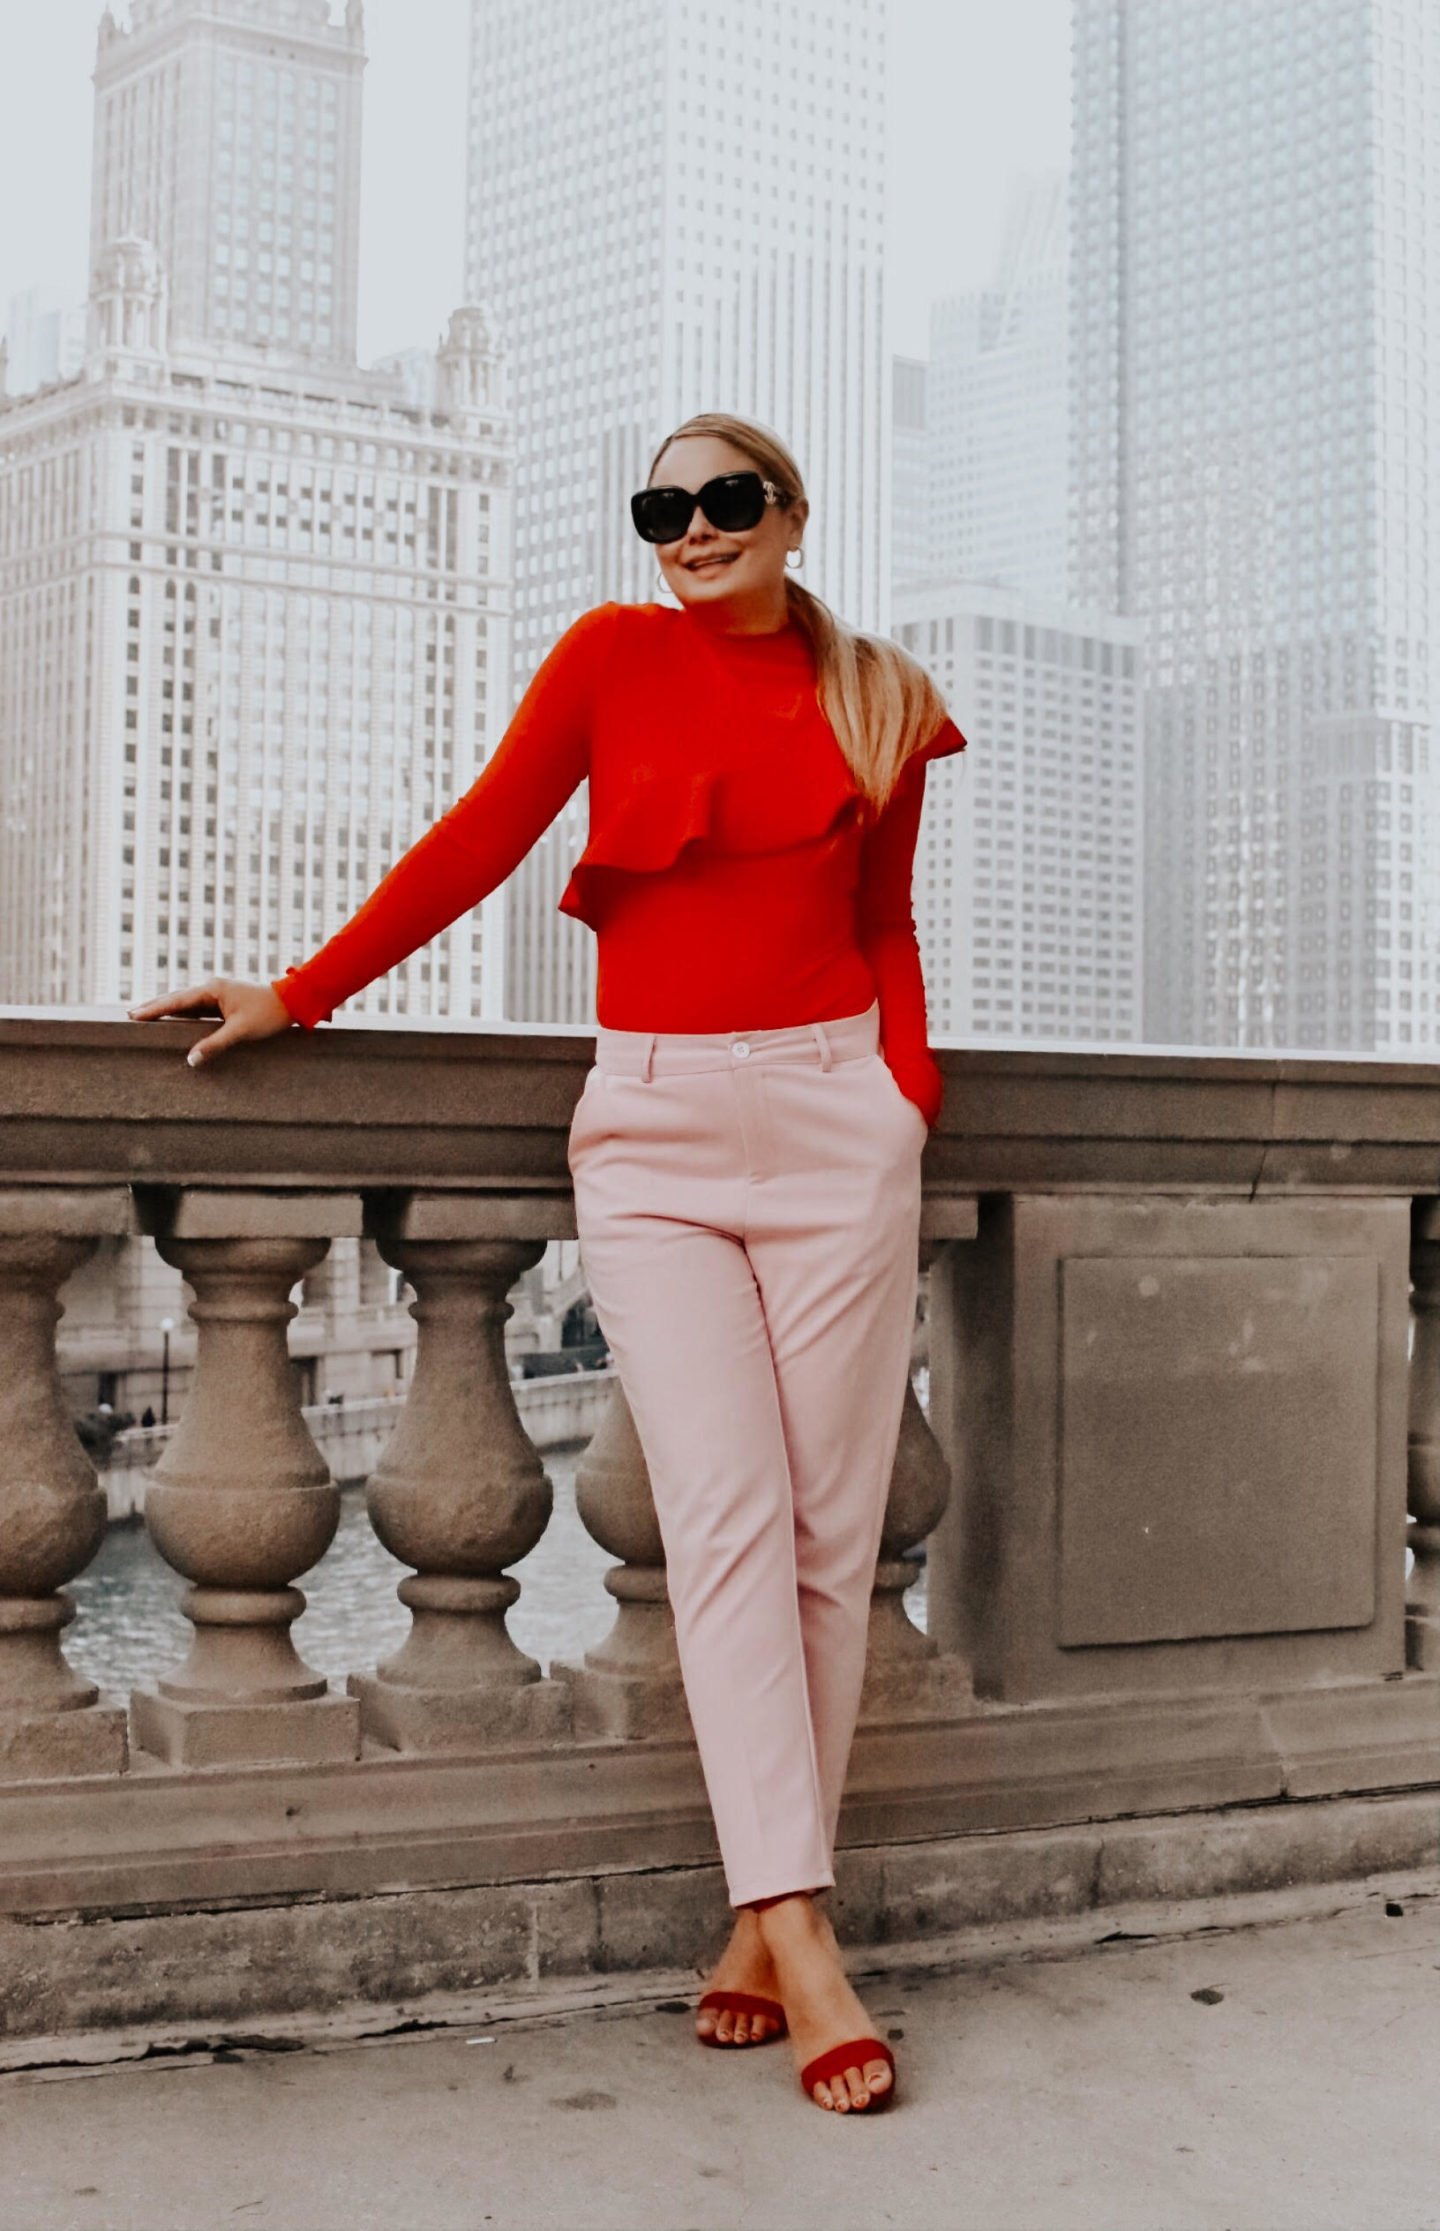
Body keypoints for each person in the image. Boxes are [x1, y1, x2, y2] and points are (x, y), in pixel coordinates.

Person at [130, 412, 965, 2115]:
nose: (692, 529)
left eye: (726, 501)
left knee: (828, 1531)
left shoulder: (874, 691)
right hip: (653, 1133)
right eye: (665, 507)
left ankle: (756, 1923)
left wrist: (903, 1100)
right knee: (727, 1516)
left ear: (791, 513)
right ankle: (802, 1928)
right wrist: (303, 988)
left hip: (837, 1124)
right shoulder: (608, 659)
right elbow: (480, 839)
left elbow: (886, 926)